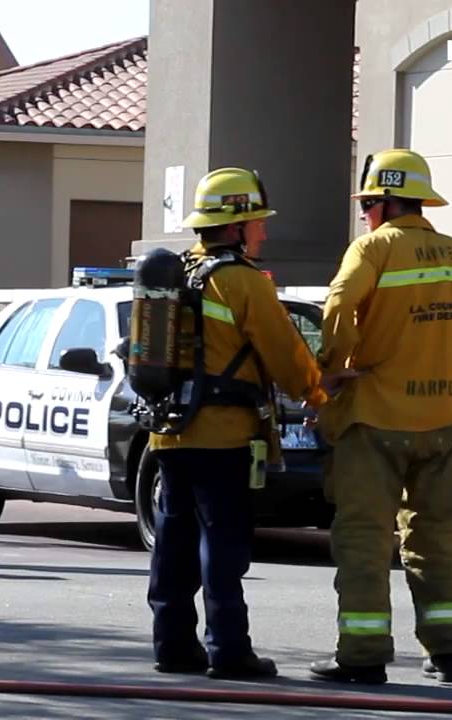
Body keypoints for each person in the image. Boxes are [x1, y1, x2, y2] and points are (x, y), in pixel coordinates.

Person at [309, 149, 452, 686]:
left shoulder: (373, 249)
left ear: (386, 202)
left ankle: (362, 656)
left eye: (367, 205)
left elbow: (339, 305)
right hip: (439, 423)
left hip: (374, 420)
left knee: (364, 538)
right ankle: (448, 651)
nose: (365, 214)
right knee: (438, 536)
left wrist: (331, 371)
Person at [145, 168, 331, 680]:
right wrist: (319, 395)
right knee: (223, 544)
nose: (263, 232)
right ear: (235, 226)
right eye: (257, 222)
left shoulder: (179, 272)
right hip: (222, 434)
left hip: (169, 432)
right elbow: (286, 354)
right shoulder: (242, 282)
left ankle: (172, 645)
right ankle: (229, 650)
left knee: (174, 541)